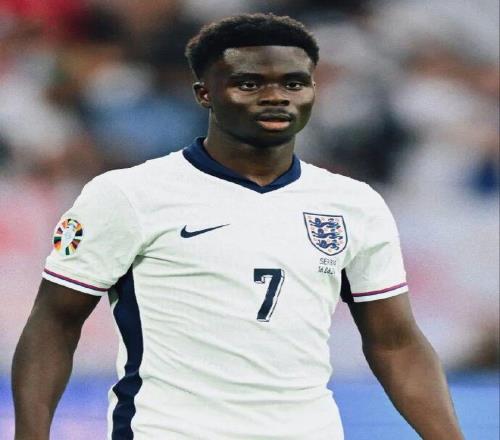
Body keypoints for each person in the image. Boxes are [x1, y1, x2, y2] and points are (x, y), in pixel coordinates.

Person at [12, 13, 464, 440]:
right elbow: (54, 322)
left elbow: (395, 344)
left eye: (294, 83)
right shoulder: (129, 194)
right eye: (249, 83)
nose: (276, 96)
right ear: (204, 93)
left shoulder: (353, 204)